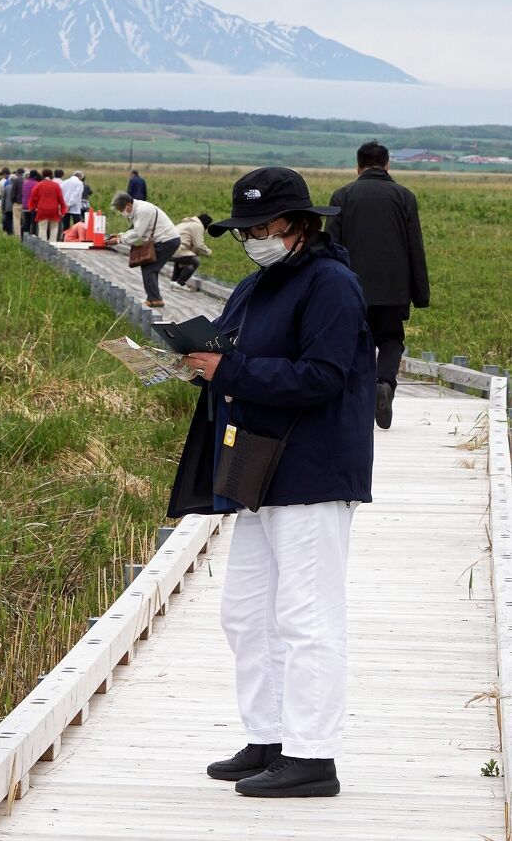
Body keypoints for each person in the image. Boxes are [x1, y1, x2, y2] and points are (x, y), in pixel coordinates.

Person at [168, 167, 375, 799]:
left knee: (308, 616)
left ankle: (314, 755)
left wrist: (229, 369)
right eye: (245, 229)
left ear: (301, 226)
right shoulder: (261, 282)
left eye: (264, 226)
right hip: (256, 465)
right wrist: (202, 361)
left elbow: (321, 378)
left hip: (312, 469)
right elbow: (241, 356)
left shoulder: (331, 284)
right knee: (247, 613)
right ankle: (270, 736)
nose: (254, 237)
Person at [325, 140, 430, 430]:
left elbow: (330, 246)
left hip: (350, 288)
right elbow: (415, 247)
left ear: (358, 167)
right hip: (393, 289)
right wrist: (420, 294)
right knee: (391, 340)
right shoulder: (404, 196)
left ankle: (357, 402)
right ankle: (384, 383)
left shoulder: (342, 196)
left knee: (353, 342)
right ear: (387, 165)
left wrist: (324, 289)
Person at [107, 192, 180, 308]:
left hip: (167, 241)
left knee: (149, 268)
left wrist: (119, 241)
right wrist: (120, 235)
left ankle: (155, 299)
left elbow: (138, 233)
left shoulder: (142, 210)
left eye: (121, 210)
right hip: (165, 240)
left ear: (128, 205)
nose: (122, 213)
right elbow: (137, 229)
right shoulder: (139, 209)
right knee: (150, 268)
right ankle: (154, 298)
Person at [170, 213, 213, 288]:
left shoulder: (185, 223)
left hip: (167, 248)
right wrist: (208, 252)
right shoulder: (198, 226)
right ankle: (180, 283)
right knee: (194, 262)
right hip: (177, 249)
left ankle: (174, 281)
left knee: (183, 258)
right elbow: (199, 245)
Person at [29, 168, 67, 242]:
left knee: (42, 228)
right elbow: (61, 199)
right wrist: (63, 210)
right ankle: (53, 243)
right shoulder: (56, 185)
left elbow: (33, 198)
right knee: (54, 227)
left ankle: (43, 243)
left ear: (42, 175)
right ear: (51, 175)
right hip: (54, 209)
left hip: (42, 209)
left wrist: (32, 207)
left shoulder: (38, 185)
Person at [21, 169, 41, 236]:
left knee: (26, 222)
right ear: (35, 176)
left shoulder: (24, 183)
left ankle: (24, 236)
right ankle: (33, 236)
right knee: (34, 223)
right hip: (33, 207)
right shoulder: (37, 184)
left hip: (24, 206)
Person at [10, 167, 25, 239]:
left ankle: (17, 236)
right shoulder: (26, 180)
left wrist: (13, 201)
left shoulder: (16, 181)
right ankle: (25, 235)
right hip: (26, 204)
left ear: (17, 173)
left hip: (17, 203)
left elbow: (13, 193)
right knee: (25, 220)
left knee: (16, 220)